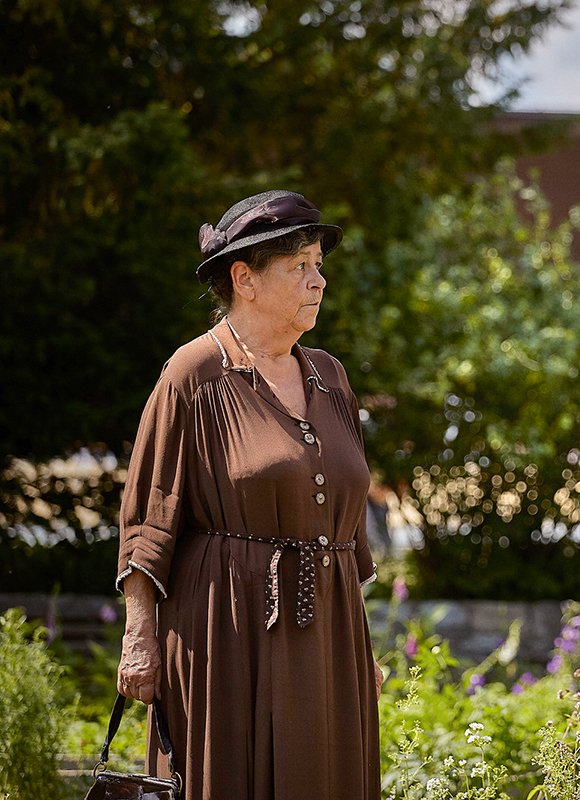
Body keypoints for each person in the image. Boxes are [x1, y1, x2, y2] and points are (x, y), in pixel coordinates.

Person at [115, 189, 383, 800]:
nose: (319, 281)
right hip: (225, 630)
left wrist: (359, 640)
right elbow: (149, 519)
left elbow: (346, 522)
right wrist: (140, 638)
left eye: (319, 264)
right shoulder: (193, 373)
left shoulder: (330, 375)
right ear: (245, 278)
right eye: (300, 266)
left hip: (327, 630)